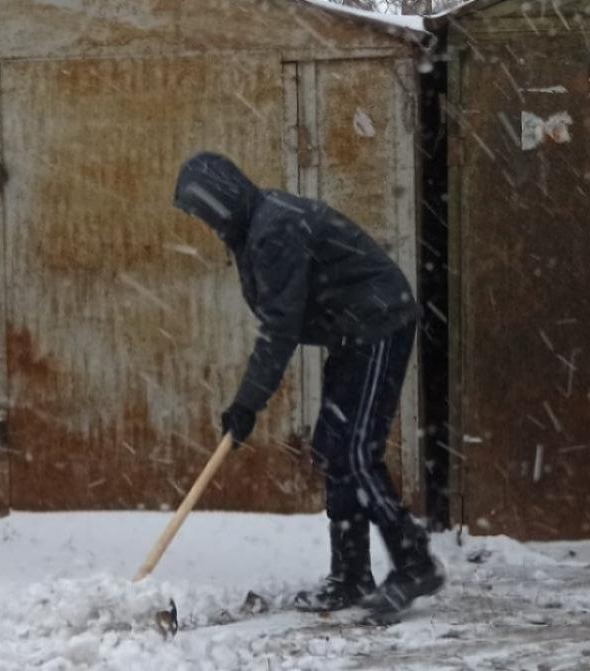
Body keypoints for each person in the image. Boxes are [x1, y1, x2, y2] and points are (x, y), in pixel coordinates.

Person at [173, 152, 444, 617]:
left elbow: (279, 328)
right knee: (334, 448)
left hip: (379, 324)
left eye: (202, 213)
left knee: (357, 452)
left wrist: (247, 405)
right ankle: (351, 577)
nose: (205, 225)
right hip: (351, 333)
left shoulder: (274, 228)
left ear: (220, 201)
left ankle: (415, 562)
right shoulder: (254, 230)